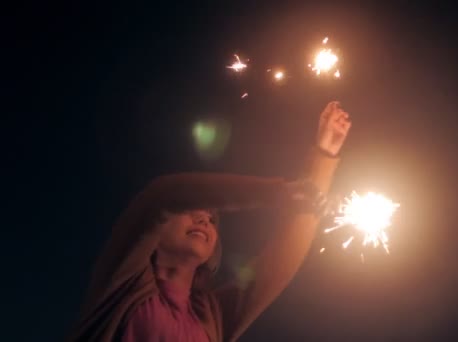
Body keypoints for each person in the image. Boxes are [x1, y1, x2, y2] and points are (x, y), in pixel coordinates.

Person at [69, 101, 351, 341]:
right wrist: (274, 191)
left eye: (212, 219)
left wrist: (323, 158)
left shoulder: (212, 315)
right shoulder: (121, 283)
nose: (204, 218)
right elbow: (162, 196)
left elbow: (274, 269)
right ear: (156, 229)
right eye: (191, 210)